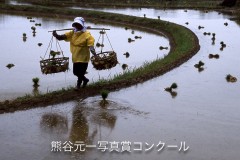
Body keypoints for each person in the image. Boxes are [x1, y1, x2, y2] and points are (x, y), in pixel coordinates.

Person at [52, 17, 97, 90]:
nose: (77, 26)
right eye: (76, 24)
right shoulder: (73, 33)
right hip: (75, 56)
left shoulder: (87, 35)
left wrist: (95, 55)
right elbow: (62, 37)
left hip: (84, 57)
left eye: (78, 24)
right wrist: (56, 35)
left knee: (81, 72)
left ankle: (78, 86)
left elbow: (91, 47)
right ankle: (85, 80)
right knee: (75, 72)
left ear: (82, 25)